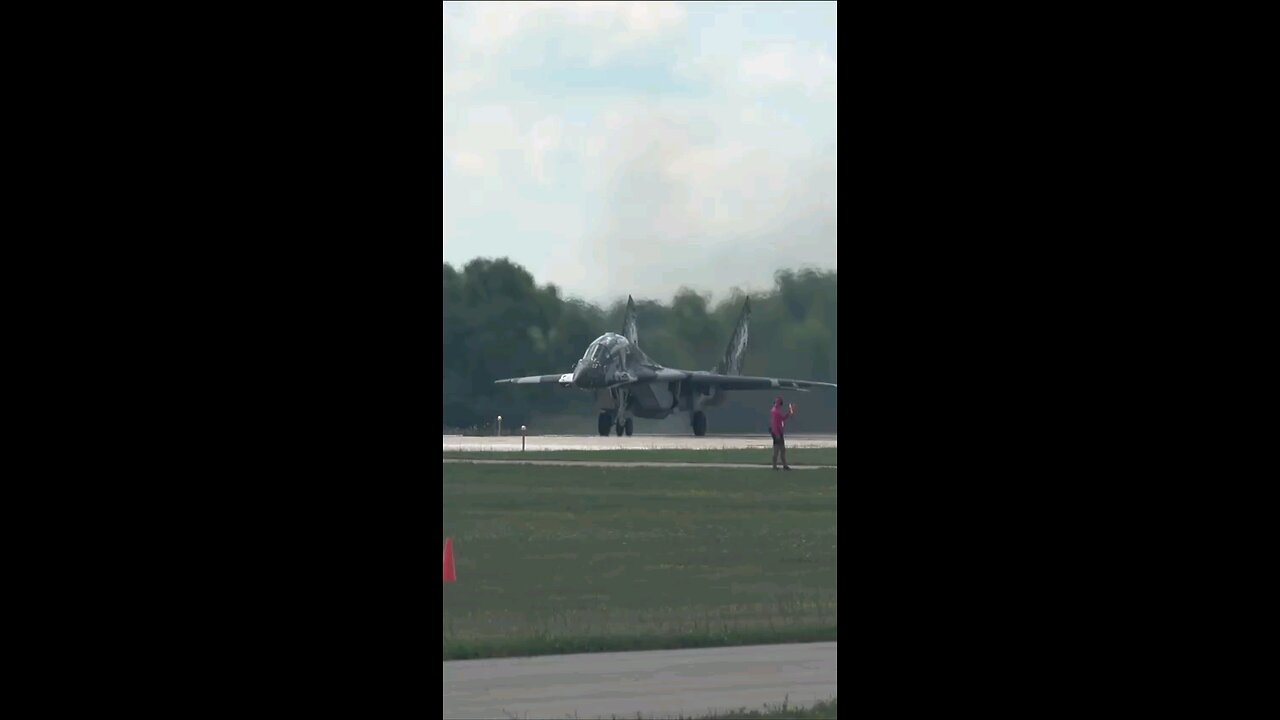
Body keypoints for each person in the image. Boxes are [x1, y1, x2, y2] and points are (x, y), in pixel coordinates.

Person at [770, 396, 794, 470]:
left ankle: (783, 465)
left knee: (781, 450)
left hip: (777, 431)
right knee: (778, 450)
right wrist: (777, 433)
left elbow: (782, 419)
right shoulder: (775, 412)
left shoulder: (775, 411)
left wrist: (788, 413)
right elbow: (776, 423)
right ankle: (777, 466)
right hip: (777, 432)